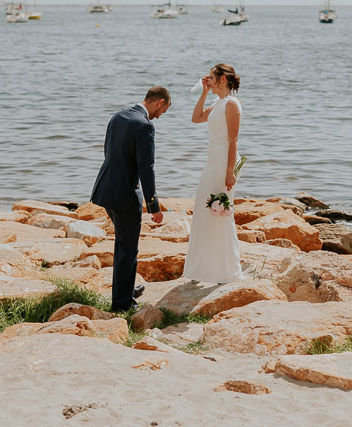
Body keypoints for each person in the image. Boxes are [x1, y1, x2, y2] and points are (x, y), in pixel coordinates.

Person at [90, 86, 170, 311]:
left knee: (122, 244)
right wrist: (153, 205)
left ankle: (125, 288)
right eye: (162, 112)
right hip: (125, 195)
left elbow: (108, 151)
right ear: (160, 102)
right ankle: (122, 304)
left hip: (105, 189)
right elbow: (147, 168)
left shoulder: (118, 115)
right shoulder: (145, 125)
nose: (159, 116)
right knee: (127, 249)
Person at [182, 64, 243, 283]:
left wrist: (229, 173)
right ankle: (201, 269)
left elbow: (233, 140)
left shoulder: (232, 104)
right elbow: (196, 118)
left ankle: (225, 272)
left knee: (220, 213)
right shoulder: (218, 102)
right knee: (203, 211)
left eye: (212, 77)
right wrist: (205, 91)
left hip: (224, 166)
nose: (208, 78)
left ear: (223, 79)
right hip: (211, 164)